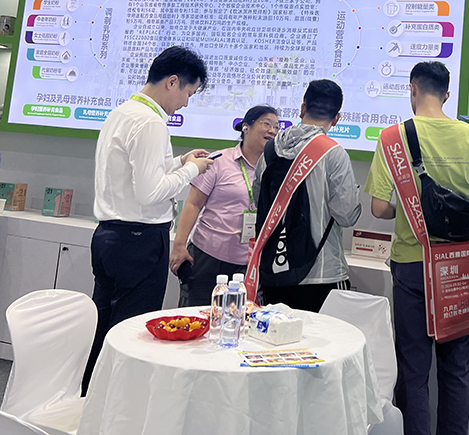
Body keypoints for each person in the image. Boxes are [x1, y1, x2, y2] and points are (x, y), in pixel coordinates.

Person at [365, 61, 469, 435]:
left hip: (412, 264)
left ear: (412, 89)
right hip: (458, 267)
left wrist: (409, 212)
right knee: (456, 368)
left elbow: (379, 208)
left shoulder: (392, 137)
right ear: (447, 94)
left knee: (413, 368)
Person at [84, 46, 212, 390]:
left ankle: (91, 396)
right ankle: (118, 403)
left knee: (104, 326)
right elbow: (150, 192)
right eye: (188, 93)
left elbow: (136, 175)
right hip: (138, 242)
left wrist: (179, 161)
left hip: (110, 236)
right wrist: (192, 170)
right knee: (130, 332)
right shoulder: (151, 122)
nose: (185, 103)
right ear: (172, 82)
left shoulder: (122, 113)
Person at [253, 79, 361, 312]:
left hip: (274, 271)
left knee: (276, 334)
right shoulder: (334, 153)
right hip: (322, 273)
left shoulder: (269, 151)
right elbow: (346, 216)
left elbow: (258, 201)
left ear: (302, 109)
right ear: (336, 118)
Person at [169, 105, 279, 306]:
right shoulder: (219, 161)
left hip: (248, 262)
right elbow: (193, 204)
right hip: (207, 256)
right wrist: (178, 245)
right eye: (266, 124)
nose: (272, 131)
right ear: (246, 127)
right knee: (196, 314)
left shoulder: (274, 169)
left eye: (276, 127)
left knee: (238, 318)